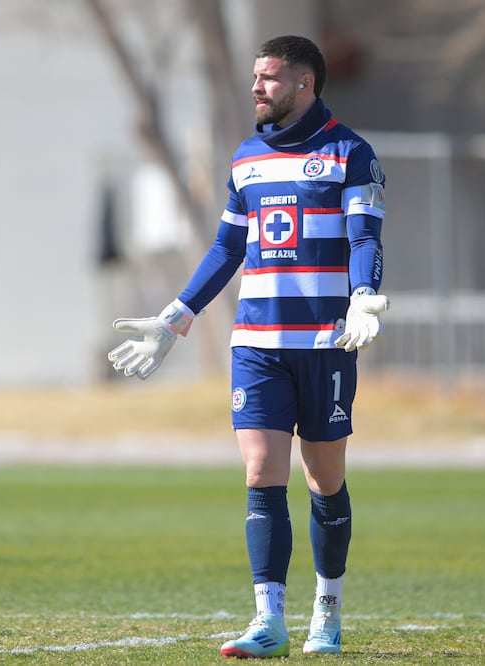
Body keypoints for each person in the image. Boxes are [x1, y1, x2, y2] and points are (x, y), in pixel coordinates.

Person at [107, 35, 389, 658]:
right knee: (261, 471)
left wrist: (364, 295)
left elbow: (365, 236)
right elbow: (227, 249)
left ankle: (328, 610)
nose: (257, 87)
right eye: (256, 77)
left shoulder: (351, 153)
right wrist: (176, 316)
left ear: (305, 84)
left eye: (269, 78)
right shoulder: (245, 158)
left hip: (323, 341)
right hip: (256, 343)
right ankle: (268, 620)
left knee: (324, 478)